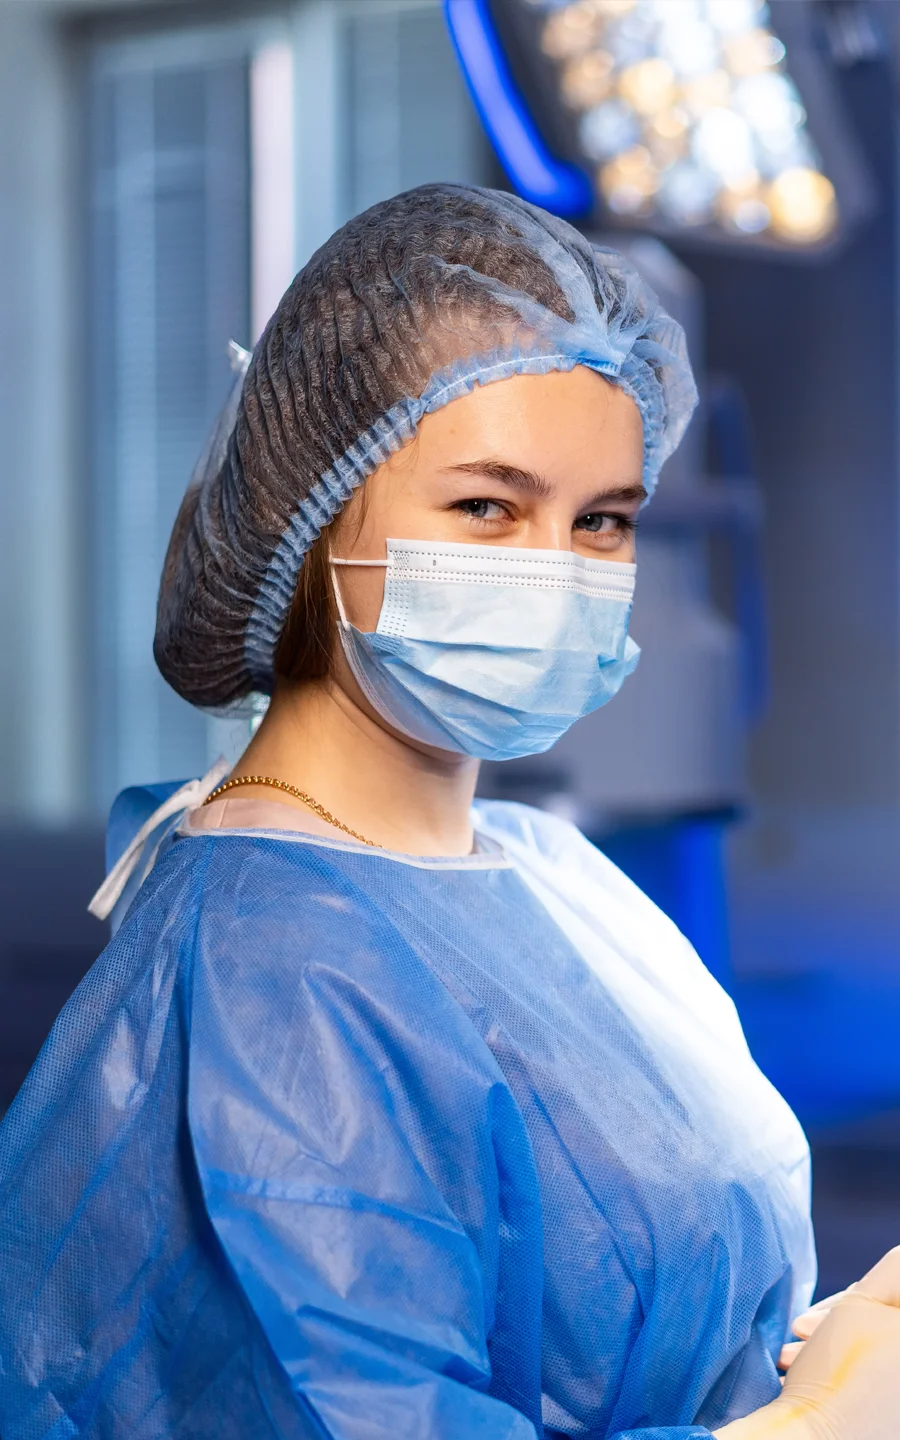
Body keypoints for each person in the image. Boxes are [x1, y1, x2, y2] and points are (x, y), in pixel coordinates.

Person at [0, 184, 896, 1440]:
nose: (555, 570)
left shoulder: (541, 872)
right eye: (488, 506)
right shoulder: (283, 968)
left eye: (603, 521)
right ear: (310, 516)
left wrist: (845, 1348)